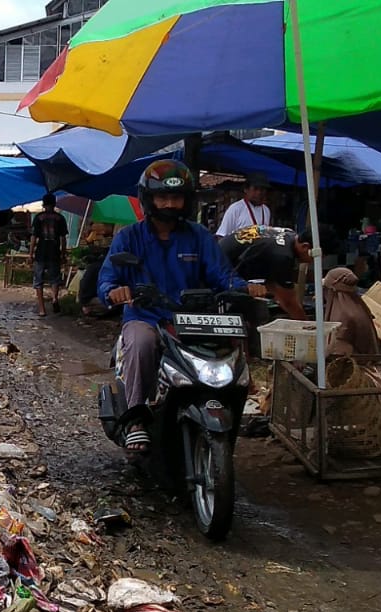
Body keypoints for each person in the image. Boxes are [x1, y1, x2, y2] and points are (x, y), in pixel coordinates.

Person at [98, 159, 266, 453]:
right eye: (163, 197)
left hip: (194, 320)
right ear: (149, 199)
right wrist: (114, 291)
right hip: (147, 317)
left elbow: (222, 273)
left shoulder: (199, 236)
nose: (170, 204)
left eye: (176, 197)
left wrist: (243, 287)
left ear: (186, 201)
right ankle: (136, 418)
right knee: (140, 343)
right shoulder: (129, 237)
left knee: (230, 347)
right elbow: (107, 279)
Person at [218, 225, 312, 321]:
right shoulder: (283, 256)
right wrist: (308, 328)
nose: (313, 261)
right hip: (221, 271)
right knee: (259, 312)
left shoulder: (289, 234)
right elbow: (288, 302)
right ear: (305, 246)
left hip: (226, 260)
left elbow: (273, 284)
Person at [322, 267, 380, 356]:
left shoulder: (342, 318)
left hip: (356, 367)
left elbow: (340, 355)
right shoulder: (359, 308)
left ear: (332, 290)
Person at [30, 193, 68, 316]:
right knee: (54, 279)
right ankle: (55, 298)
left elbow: (33, 237)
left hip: (40, 253)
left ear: (44, 205)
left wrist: (31, 253)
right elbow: (63, 238)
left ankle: (42, 309)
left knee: (38, 281)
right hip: (54, 253)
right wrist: (63, 253)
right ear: (54, 204)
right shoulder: (60, 218)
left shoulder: (38, 217)